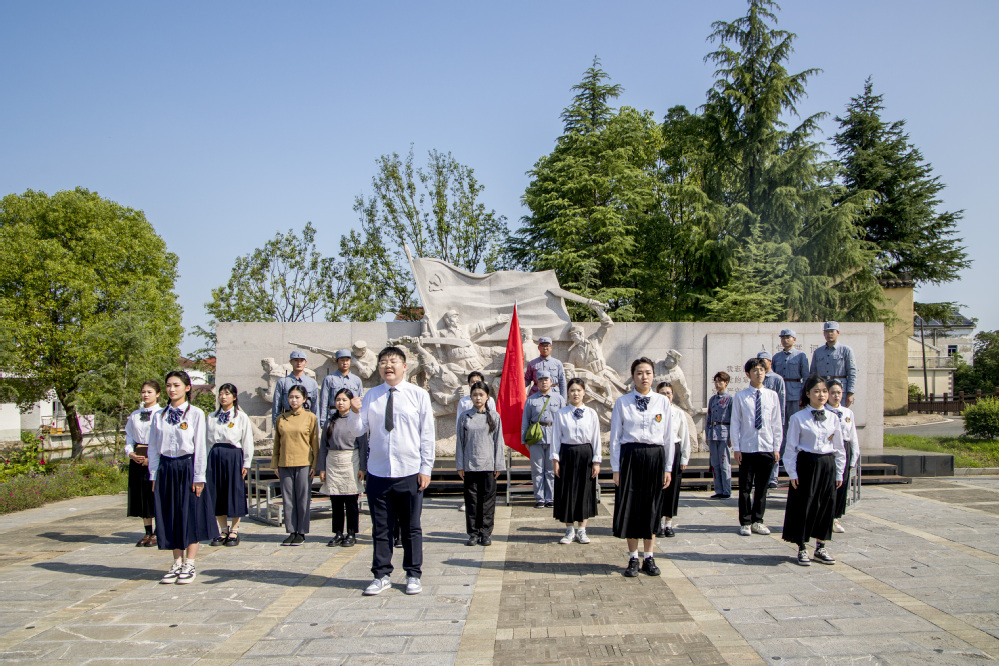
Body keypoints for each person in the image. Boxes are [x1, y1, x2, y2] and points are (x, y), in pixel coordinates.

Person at [341, 346, 435, 597]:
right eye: (383, 362)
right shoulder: (371, 396)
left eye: (393, 361)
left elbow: (427, 435)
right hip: (379, 472)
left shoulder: (418, 395)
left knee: (411, 528)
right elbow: (357, 431)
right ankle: (381, 575)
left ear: (404, 366)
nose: (387, 366)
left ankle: (413, 574)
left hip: (410, 471)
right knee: (381, 528)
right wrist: (354, 412)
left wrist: (426, 468)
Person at [148, 371, 218, 585]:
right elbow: (153, 447)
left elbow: (200, 446)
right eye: (168, 385)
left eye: (176, 385)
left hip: (187, 466)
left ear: (187, 388)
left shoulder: (195, 414)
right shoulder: (159, 415)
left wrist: (199, 476)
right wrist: (153, 474)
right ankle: (176, 561)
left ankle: (190, 563)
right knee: (170, 514)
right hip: (166, 467)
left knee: (190, 514)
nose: (172, 389)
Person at [610, 358, 674, 578]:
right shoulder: (623, 402)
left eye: (648, 372)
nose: (644, 377)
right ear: (633, 376)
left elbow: (668, 437)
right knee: (631, 507)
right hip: (630, 457)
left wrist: (668, 468)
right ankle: (632, 557)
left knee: (651, 507)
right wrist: (616, 468)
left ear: (653, 375)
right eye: (639, 373)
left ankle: (649, 557)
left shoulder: (662, 402)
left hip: (655, 457)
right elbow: (615, 438)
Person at [782, 376, 846, 566]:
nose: (821, 395)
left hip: (827, 464)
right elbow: (790, 448)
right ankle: (802, 547)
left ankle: (821, 547)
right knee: (805, 505)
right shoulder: (798, 418)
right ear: (808, 393)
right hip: (806, 464)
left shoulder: (833, 418)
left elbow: (839, 447)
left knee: (826, 506)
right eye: (817, 391)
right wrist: (792, 472)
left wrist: (839, 472)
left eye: (824, 391)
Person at [730, 358, 783, 537]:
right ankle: (745, 522)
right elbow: (735, 423)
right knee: (745, 488)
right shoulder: (741, 396)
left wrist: (776, 447)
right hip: (747, 448)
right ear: (748, 374)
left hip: (767, 447)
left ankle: (758, 520)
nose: (759, 373)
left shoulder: (772, 395)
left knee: (762, 488)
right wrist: (736, 448)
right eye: (755, 370)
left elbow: (777, 423)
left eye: (761, 369)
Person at [551, 378, 601, 545]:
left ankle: (582, 530)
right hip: (567, 454)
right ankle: (569, 530)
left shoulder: (591, 413)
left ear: (584, 392)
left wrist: (596, 461)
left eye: (579, 390)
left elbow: (596, 438)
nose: (575, 393)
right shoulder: (561, 413)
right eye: (572, 390)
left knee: (584, 491)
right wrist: (555, 460)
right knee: (567, 491)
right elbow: (555, 437)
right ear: (568, 393)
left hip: (586, 455)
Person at [455, 382, 504, 547]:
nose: (478, 398)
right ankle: (473, 533)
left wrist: (498, 465)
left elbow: (499, 442)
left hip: (488, 465)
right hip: (470, 465)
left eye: (481, 395)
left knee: (488, 502)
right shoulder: (465, 417)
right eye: (475, 395)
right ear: (470, 397)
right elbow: (460, 443)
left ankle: (486, 533)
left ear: (487, 397)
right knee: (472, 501)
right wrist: (460, 465)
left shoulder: (494, 417)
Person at [271, 385, 320, 546]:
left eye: (297, 397)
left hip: (304, 463)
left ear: (304, 399)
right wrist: (275, 464)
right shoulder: (281, 418)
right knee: (288, 500)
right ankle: (291, 531)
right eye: (291, 397)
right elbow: (277, 443)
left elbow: (315, 443)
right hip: (285, 463)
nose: (293, 400)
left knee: (302, 499)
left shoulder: (310, 417)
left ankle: (302, 532)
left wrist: (315, 465)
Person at [206, 383, 253, 547]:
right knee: (217, 492)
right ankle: (223, 529)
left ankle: (234, 529)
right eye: (221, 394)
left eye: (227, 394)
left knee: (234, 491)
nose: (223, 397)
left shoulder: (241, 417)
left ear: (234, 397)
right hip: (215, 455)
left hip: (233, 456)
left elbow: (247, 440)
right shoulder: (211, 417)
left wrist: (246, 462)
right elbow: (206, 441)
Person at [318, 388, 366, 547]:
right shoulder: (330, 421)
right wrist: (322, 468)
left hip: (350, 461)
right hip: (333, 461)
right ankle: (338, 533)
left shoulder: (357, 421)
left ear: (350, 402)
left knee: (351, 501)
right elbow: (323, 446)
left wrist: (362, 467)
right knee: (336, 500)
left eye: (344, 400)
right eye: (338, 400)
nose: (340, 403)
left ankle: (351, 533)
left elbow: (363, 446)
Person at [125, 380, 162, 547]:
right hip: (138, 456)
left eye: (149, 392)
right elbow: (129, 436)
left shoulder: (161, 413)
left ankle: (158, 532)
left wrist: (152, 459)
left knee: (154, 494)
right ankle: (148, 532)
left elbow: (163, 439)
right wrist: (131, 453)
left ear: (158, 394)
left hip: (154, 456)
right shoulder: (134, 415)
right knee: (142, 495)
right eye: (143, 392)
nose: (145, 395)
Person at [521, 370, 565, 508]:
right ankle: (539, 498)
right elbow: (525, 421)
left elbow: (564, 421)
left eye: (546, 380)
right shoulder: (531, 400)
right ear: (537, 383)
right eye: (540, 380)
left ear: (551, 382)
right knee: (537, 470)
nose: (544, 382)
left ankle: (550, 498)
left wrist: (564, 439)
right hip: (536, 438)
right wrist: (524, 440)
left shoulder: (559, 399)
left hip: (553, 437)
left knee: (551, 470)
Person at [771, 329, 809, 486]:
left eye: (788, 337)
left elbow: (806, 376)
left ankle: (795, 456)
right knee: (780, 426)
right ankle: (781, 456)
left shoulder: (801, 356)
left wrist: (803, 396)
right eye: (783, 338)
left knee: (794, 425)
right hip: (780, 394)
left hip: (795, 393)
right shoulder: (776, 357)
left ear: (794, 339)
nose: (785, 340)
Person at [656, 382, 690, 538]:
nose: (666, 396)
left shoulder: (678, 413)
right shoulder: (655, 412)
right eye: (662, 393)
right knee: (657, 488)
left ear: (672, 395)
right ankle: (657, 522)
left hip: (675, 450)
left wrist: (684, 458)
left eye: (668, 393)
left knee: (673, 488)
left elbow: (684, 436)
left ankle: (668, 523)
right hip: (659, 450)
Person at [826, 380, 859, 534]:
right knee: (828, 485)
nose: (836, 396)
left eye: (839, 393)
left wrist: (853, 457)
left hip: (844, 449)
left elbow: (853, 437)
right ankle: (825, 516)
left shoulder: (847, 413)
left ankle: (835, 517)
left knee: (841, 484)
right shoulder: (823, 412)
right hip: (829, 449)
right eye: (832, 392)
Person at [810, 321, 858, 408]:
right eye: (827, 332)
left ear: (838, 333)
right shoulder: (818, 352)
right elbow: (813, 373)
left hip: (839, 390)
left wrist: (850, 392)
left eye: (832, 331)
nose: (829, 334)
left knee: (839, 413)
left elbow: (852, 373)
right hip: (823, 390)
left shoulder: (846, 350)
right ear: (824, 334)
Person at [758, 351, 786, 488]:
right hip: (759, 420)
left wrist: (781, 420)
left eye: (764, 360)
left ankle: (773, 477)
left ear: (770, 361)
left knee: (774, 448)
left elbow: (781, 401)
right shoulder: (757, 378)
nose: (761, 363)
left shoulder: (777, 379)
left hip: (772, 419)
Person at [271, 350, 320, 426]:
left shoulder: (312, 383)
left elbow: (315, 407)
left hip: (306, 421)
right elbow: (277, 406)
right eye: (296, 360)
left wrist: (316, 427)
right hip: (287, 420)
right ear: (291, 362)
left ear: (305, 362)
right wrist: (277, 425)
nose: (299, 363)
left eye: (301, 360)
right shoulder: (283, 382)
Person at [705, 372, 733, 500]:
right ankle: (718, 490)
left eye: (720, 381)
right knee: (715, 464)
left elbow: (733, 418)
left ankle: (726, 490)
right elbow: (709, 417)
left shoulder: (730, 399)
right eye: (716, 381)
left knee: (724, 463)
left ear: (726, 383)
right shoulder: (712, 399)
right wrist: (707, 434)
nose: (717, 384)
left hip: (724, 433)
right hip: (713, 433)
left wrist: (732, 436)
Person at [319, 350, 364, 429]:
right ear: (337, 361)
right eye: (342, 360)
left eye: (347, 360)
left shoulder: (356, 380)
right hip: (334, 417)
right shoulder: (329, 379)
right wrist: (323, 421)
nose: (345, 363)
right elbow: (324, 402)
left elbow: (360, 401)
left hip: (351, 416)